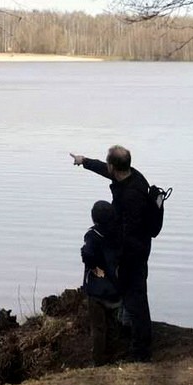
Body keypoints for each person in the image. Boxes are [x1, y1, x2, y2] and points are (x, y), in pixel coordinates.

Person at [70, 146, 156, 361]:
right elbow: (105, 170)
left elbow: (129, 234)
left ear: (114, 166)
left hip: (134, 253)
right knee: (131, 297)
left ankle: (141, 353)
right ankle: (130, 334)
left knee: (136, 299)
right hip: (136, 248)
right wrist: (85, 161)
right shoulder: (132, 175)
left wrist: (118, 260)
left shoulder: (131, 196)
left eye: (108, 165)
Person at [81, 199, 124, 365]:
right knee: (113, 326)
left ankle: (99, 362)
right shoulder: (119, 234)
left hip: (97, 292)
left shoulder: (93, 236)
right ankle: (113, 359)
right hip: (115, 289)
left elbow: (87, 254)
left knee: (98, 328)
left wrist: (93, 267)